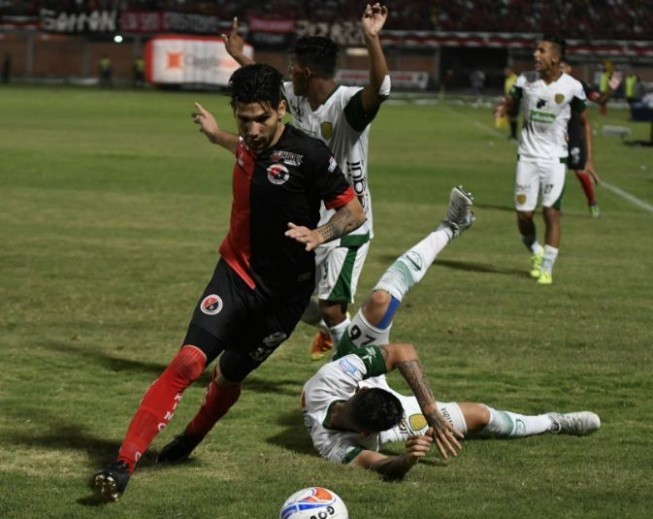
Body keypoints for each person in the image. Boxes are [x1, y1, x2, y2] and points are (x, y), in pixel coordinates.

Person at [92, 63, 366, 502]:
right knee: (187, 363)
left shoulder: (309, 154)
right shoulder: (245, 142)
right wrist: (214, 133)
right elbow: (237, 146)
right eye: (245, 120)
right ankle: (123, 463)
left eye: (263, 119)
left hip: (284, 297)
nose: (253, 130)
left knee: (231, 374)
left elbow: (354, 211)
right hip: (235, 275)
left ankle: (194, 435)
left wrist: (320, 234)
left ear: (281, 110)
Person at [302, 188, 600, 480]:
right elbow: (378, 464)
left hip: (349, 373)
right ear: (367, 434)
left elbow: (402, 352)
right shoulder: (330, 443)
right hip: (390, 418)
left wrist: (430, 409)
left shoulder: (330, 383)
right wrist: (407, 458)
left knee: (380, 301)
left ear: (362, 388)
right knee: (481, 416)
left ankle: (451, 226)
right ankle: (553, 422)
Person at [222, 4, 391, 361]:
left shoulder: (346, 106)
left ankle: (352, 371)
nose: (289, 72)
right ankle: (338, 338)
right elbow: (265, 84)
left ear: (307, 70)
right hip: (309, 221)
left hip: (348, 221)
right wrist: (240, 55)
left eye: (292, 67)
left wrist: (372, 38)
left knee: (331, 307)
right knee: (290, 297)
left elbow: (379, 88)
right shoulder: (295, 98)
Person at [495, 35, 590, 285]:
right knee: (524, 216)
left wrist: (588, 159)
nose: (535, 55)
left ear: (555, 58)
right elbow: (511, 102)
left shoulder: (572, 86)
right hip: (527, 157)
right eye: (535, 51)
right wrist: (504, 108)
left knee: (551, 213)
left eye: (541, 51)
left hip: (555, 159)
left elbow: (585, 121)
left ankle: (547, 267)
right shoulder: (525, 80)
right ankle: (537, 251)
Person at [560, 61, 621, 218]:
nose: (560, 69)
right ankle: (553, 205)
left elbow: (600, 99)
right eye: (558, 67)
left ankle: (592, 202)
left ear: (569, 68)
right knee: (554, 171)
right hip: (554, 134)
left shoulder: (579, 85)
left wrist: (611, 87)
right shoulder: (548, 85)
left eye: (563, 66)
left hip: (573, 131)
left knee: (580, 172)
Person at [503, 66, 518, 140]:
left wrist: (512, 96)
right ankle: (512, 134)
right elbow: (506, 90)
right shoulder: (507, 79)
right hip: (508, 100)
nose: (505, 73)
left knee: (513, 117)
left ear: (511, 71)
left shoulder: (516, 78)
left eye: (506, 71)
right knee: (509, 117)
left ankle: (514, 135)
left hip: (515, 100)